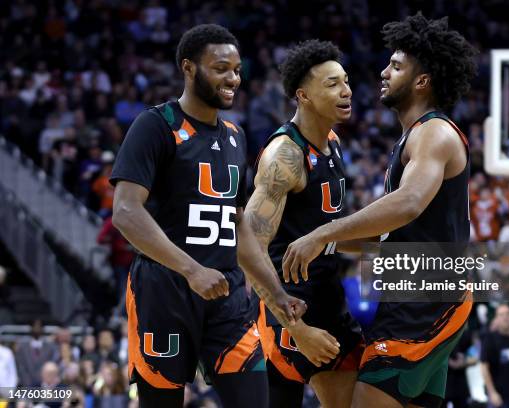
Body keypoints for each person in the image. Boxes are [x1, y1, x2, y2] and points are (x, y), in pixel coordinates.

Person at [282, 13, 477, 407]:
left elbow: (408, 203)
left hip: (427, 297)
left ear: (421, 81)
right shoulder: (413, 137)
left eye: (396, 66)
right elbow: (387, 234)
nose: (383, 71)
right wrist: (327, 246)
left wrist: (324, 232)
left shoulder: (433, 133)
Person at [110, 24, 305, 408]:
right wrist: (191, 270)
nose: (232, 78)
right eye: (220, 68)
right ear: (189, 68)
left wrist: (276, 292)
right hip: (163, 289)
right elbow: (125, 212)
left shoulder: (235, 135)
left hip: (227, 293)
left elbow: (238, 226)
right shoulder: (155, 125)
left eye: (236, 69)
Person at [244, 39, 363, 408]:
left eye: (345, 81)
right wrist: (297, 330)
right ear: (304, 95)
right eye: (331, 84)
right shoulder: (284, 157)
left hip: (330, 299)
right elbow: (247, 247)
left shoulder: (331, 140)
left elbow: (334, 231)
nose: (345, 91)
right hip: (291, 313)